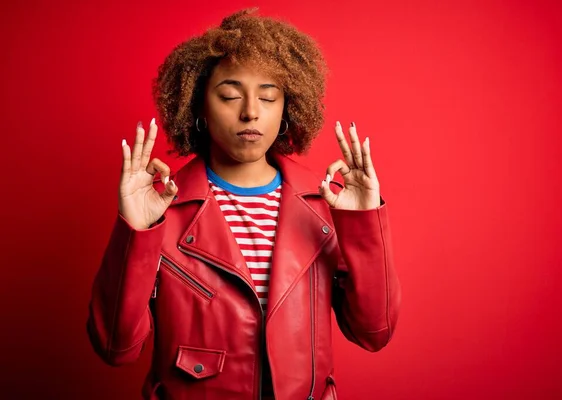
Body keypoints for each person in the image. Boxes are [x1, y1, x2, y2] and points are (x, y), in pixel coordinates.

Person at [86, 8, 401, 400]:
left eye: (268, 96)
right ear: (199, 106)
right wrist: (135, 232)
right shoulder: (161, 209)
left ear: (288, 108)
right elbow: (115, 347)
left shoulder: (324, 205)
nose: (251, 111)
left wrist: (362, 223)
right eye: (230, 95)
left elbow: (374, 332)